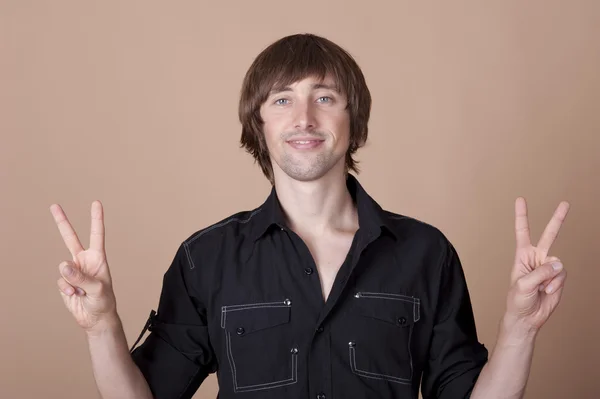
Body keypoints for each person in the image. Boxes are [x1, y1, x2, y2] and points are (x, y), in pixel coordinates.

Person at [50, 33, 570, 399]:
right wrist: (102, 326)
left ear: (354, 122)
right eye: (282, 100)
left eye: (325, 97)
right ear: (259, 126)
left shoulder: (425, 253)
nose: (303, 118)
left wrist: (520, 328)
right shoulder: (205, 259)